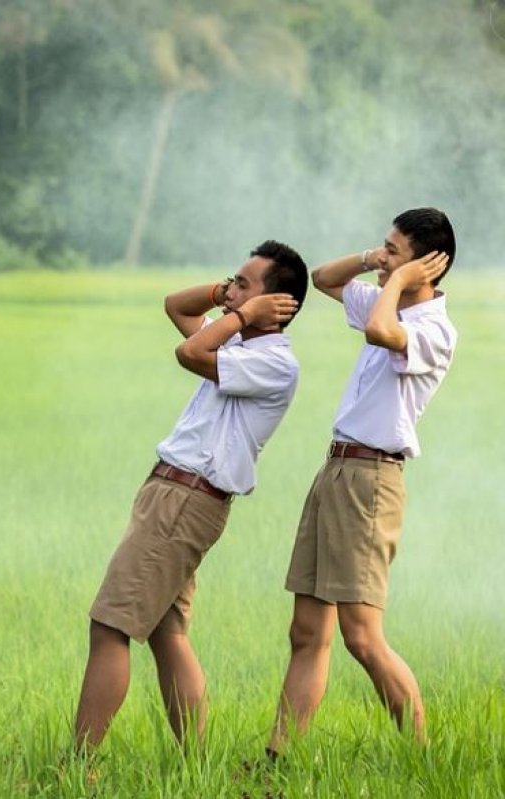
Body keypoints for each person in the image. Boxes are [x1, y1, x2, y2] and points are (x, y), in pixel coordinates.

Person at [74, 241, 309, 749]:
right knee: (166, 633)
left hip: (185, 499)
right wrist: (230, 295)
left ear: (277, 305)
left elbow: (189, 352)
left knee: (110, 627)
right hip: (174, 494)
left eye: (245, 283)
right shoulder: (239, 344)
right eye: (232, 281)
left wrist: (242, 312)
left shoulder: (273, 363)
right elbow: (176, 306)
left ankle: (76, 765)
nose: (230, 292)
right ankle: (196, 763)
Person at [266, 208, 456, 756]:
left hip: (372, 479)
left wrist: (397, 280)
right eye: (384, 247)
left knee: (362, 637)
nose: (382, 257)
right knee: (306, 631)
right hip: (337, 470)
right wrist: (378, 262)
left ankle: (423, 758)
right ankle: (278, 758)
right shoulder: (386, 297)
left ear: (425, 266)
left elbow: (379, 330)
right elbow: (324, 279)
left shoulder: (434, 329)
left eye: (394, 249)